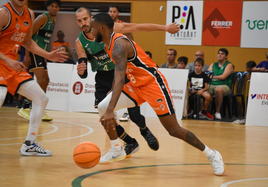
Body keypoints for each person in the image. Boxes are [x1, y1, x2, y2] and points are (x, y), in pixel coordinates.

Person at [90, 13, 225, 175]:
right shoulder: (108, 44)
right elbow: (119, 75)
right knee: (103, 107)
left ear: (102, 28)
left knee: (173, 130)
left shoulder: (118, 45)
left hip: (153, 84)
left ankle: (211, 154)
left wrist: (113, 108)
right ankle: (116, 148)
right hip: (135, 85)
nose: (91, 31)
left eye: (93, 28)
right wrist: (111, 98)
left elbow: (120, 79)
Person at [75, 8, 180, 158]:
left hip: (122, 74)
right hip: (103, 77)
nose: (83, 23)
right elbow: (83, 65)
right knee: (103, 113)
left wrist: (165, 28)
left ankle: (144, 130)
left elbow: (139, 27)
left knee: (134, 115)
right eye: (79, 21)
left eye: (85, 19)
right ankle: (129, 142)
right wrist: (81, 70)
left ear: (91, 18)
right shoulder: (79, 42)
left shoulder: (111, 29)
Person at [0, 0, 67, 156]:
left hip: (12, 65)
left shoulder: (29, 13)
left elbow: (27, 41)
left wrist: (48, 55)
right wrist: (7, 59)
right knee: (1, 95)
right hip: (4, 61)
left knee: (41, 98)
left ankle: (30, 143)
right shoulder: (4, 13)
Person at [18, 0, 61, 122]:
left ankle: (38, 108)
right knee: (42, 79)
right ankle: (27, 107)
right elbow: (28, 35)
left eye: (56, 6)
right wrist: (26, 55)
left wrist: (46, 56)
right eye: (51, 6)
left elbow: (45, 40)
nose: (54, 8)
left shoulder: (54, 20)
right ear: (47, 7)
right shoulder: (43, 18)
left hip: (41, 53)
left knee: (45, 80)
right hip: (34, 52)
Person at [208, 48, 234, 120]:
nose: (219, 55)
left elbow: (223, 77)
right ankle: (203, 111)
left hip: (224, 85)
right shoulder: (213, 64)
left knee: (218, 90)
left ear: (226, 56)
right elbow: (208, 75)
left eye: (222, 54)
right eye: (219, 53)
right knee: (202, 89)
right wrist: (213, 77)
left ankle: (217, 112)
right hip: (212, 84)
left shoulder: (229, 65)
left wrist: (213, 77)